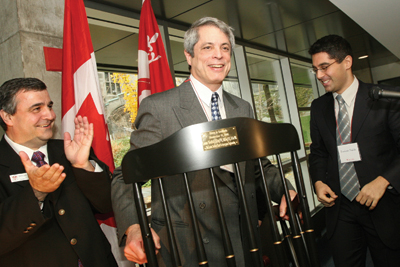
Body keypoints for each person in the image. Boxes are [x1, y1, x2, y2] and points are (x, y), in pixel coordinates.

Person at [112, 17, 297, 266]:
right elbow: (126, 176)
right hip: (189, 244)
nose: (218, 55)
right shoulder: (159, 108)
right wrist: (133, 227)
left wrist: (285, 189)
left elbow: (257, 165)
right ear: (189, 56)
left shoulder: (241, 108)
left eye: (224, 48)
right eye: (207, 47)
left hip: (245, 236)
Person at [0, 78, 117, 266]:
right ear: (8, 117)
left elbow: (106, 205)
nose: (50, 115)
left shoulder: (70, 150)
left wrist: (83, 166)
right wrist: (36, 193)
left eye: (49, 106)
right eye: (36, 109)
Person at [308, 34, 400, 267]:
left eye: (324, 67)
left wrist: (383, 181)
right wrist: (318, 182)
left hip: (382, 205)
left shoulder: (383, 98)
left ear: (347, 62)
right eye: (315, 69)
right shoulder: (319, 107)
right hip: (340, 208)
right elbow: (318, 152)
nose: (319, 75)